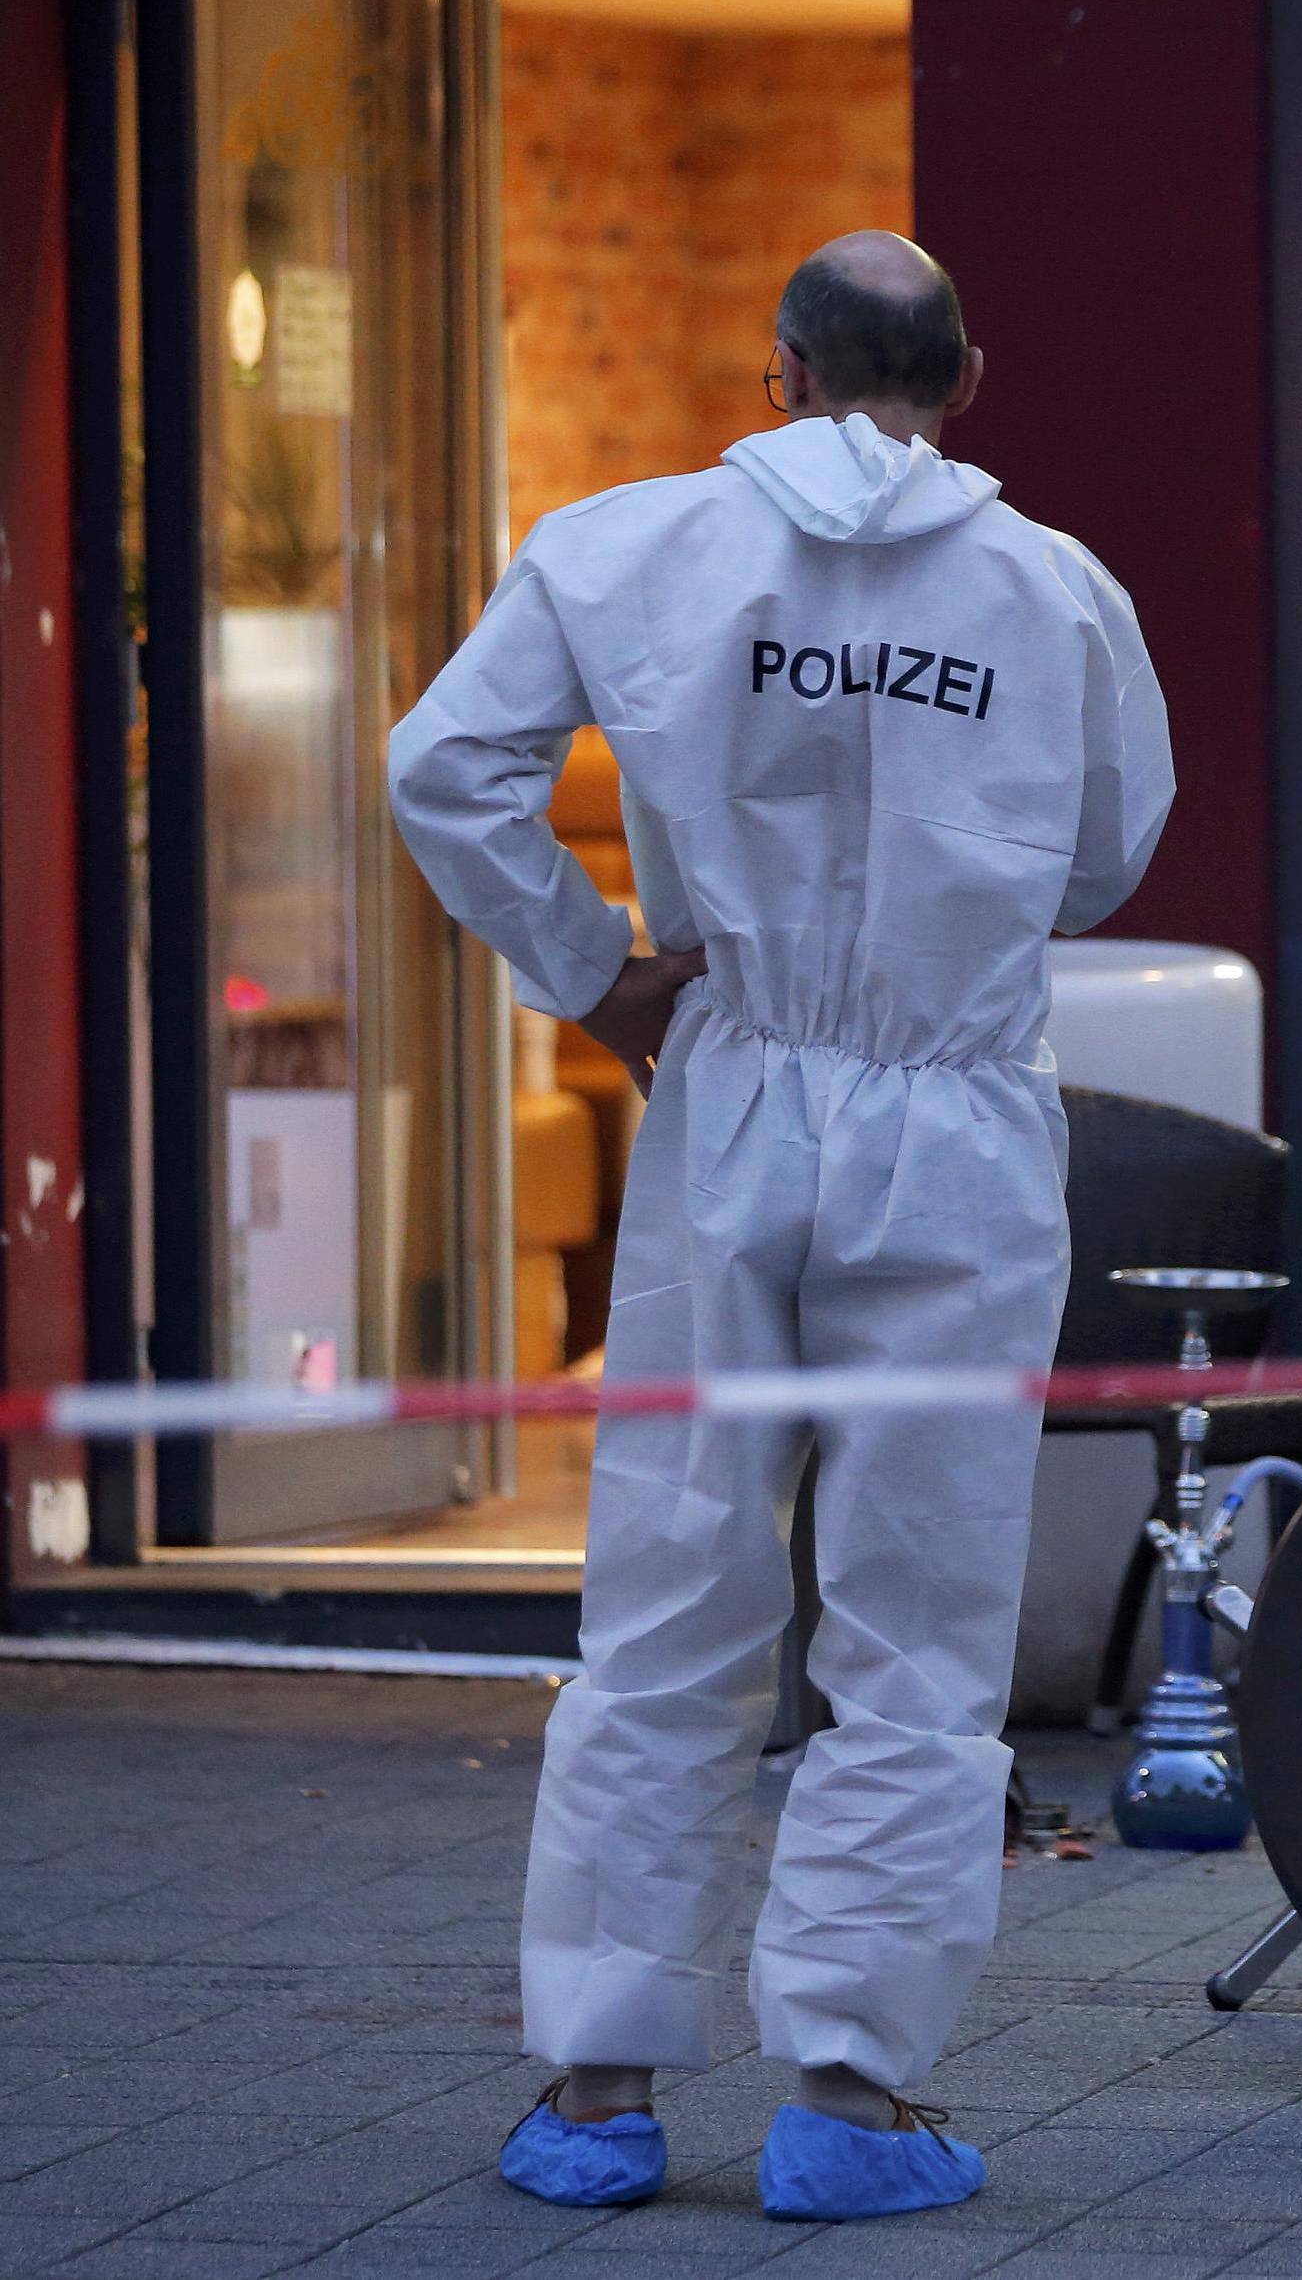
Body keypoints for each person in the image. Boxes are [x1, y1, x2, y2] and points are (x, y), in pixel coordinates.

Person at [388, 230, 1174, 2223]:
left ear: (776, 373)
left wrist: (597, 973)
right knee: (916, 1630)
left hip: (732, 1088)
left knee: (665, 1595)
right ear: (967, 377)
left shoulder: (621, 546)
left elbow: (443, 771)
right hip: (961, 1112)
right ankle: (848, 2091)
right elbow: (1099, 857)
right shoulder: (1056, 588)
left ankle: (595, 2088)